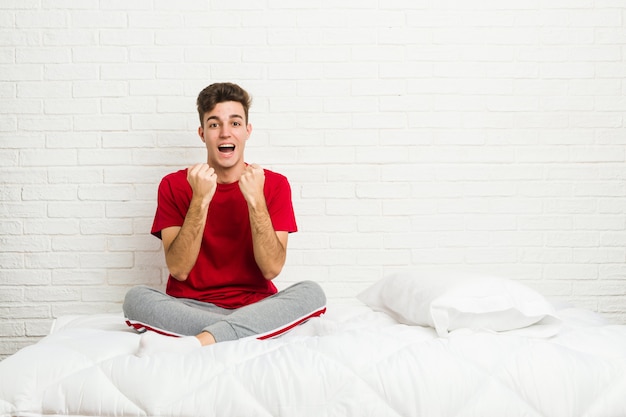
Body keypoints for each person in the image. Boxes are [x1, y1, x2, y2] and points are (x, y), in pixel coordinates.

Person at [123, 82, 326, 356]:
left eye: (235, 122)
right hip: (188, 307)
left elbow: (271, 269)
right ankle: (245, 331)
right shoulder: (173, 185)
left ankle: (200, 341)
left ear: (247, 131)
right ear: (202, 133)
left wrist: (255, 200)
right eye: (215, 124)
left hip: (256, 306)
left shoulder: (274, 185)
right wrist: (200, 199)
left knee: (312, 293)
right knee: (136, 299)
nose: (225, 133)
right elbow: (179, 270)